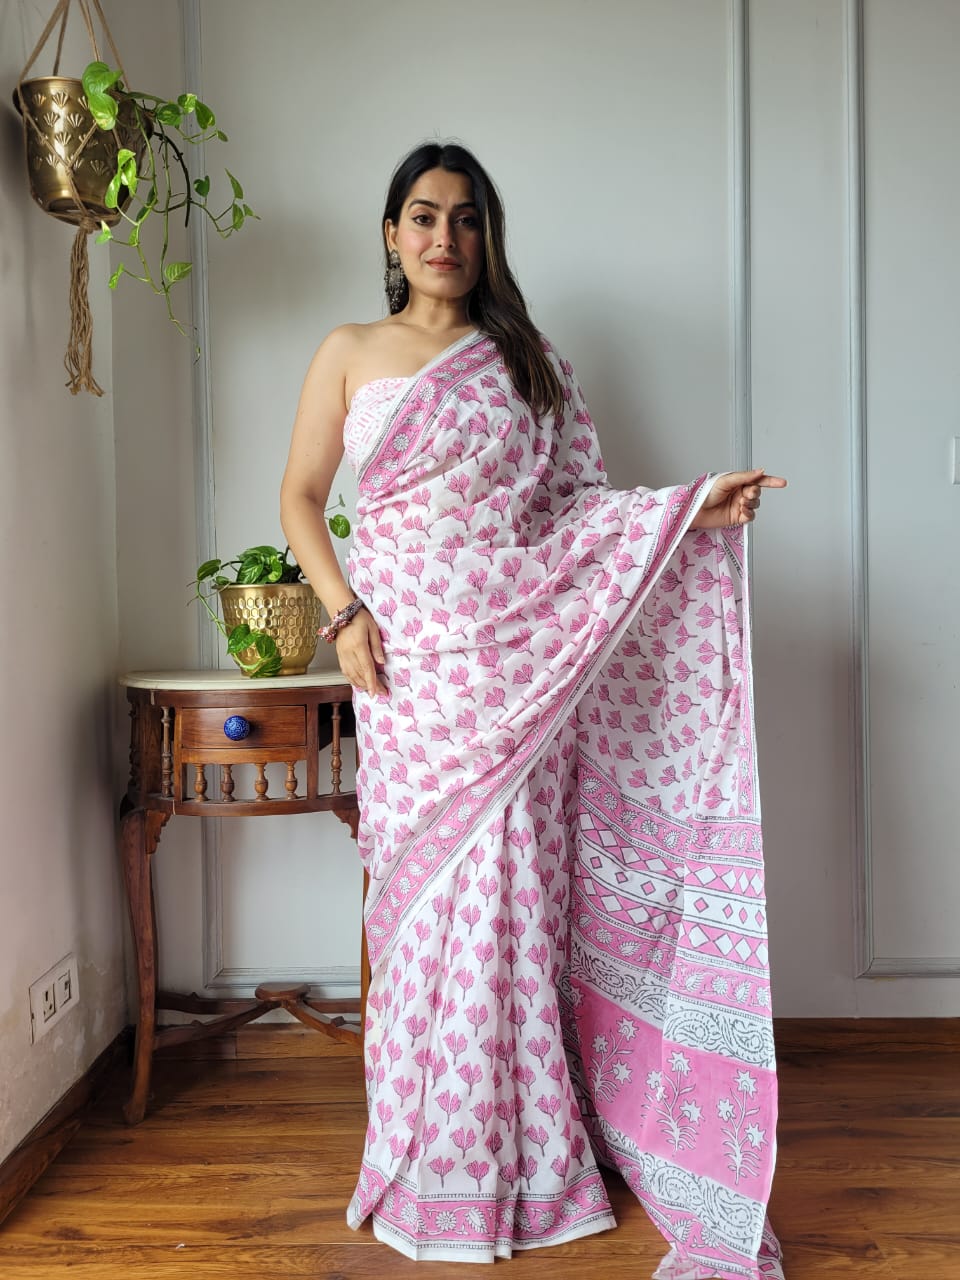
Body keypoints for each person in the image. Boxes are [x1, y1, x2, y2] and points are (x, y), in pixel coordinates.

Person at [280, 141, 787, 1279]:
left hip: (520, 675)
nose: (444, 237)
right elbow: (301, 497)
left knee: (512, 898)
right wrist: (344, 612)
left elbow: (577, 518)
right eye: (423, 216)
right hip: (406, 675)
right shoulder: (348, 351)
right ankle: (423, 1154)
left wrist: (693, 510)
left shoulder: (529, 363)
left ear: (487, 235)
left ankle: (528, 1158)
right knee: (421, 912)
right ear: (391, 233)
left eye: (465, 218)